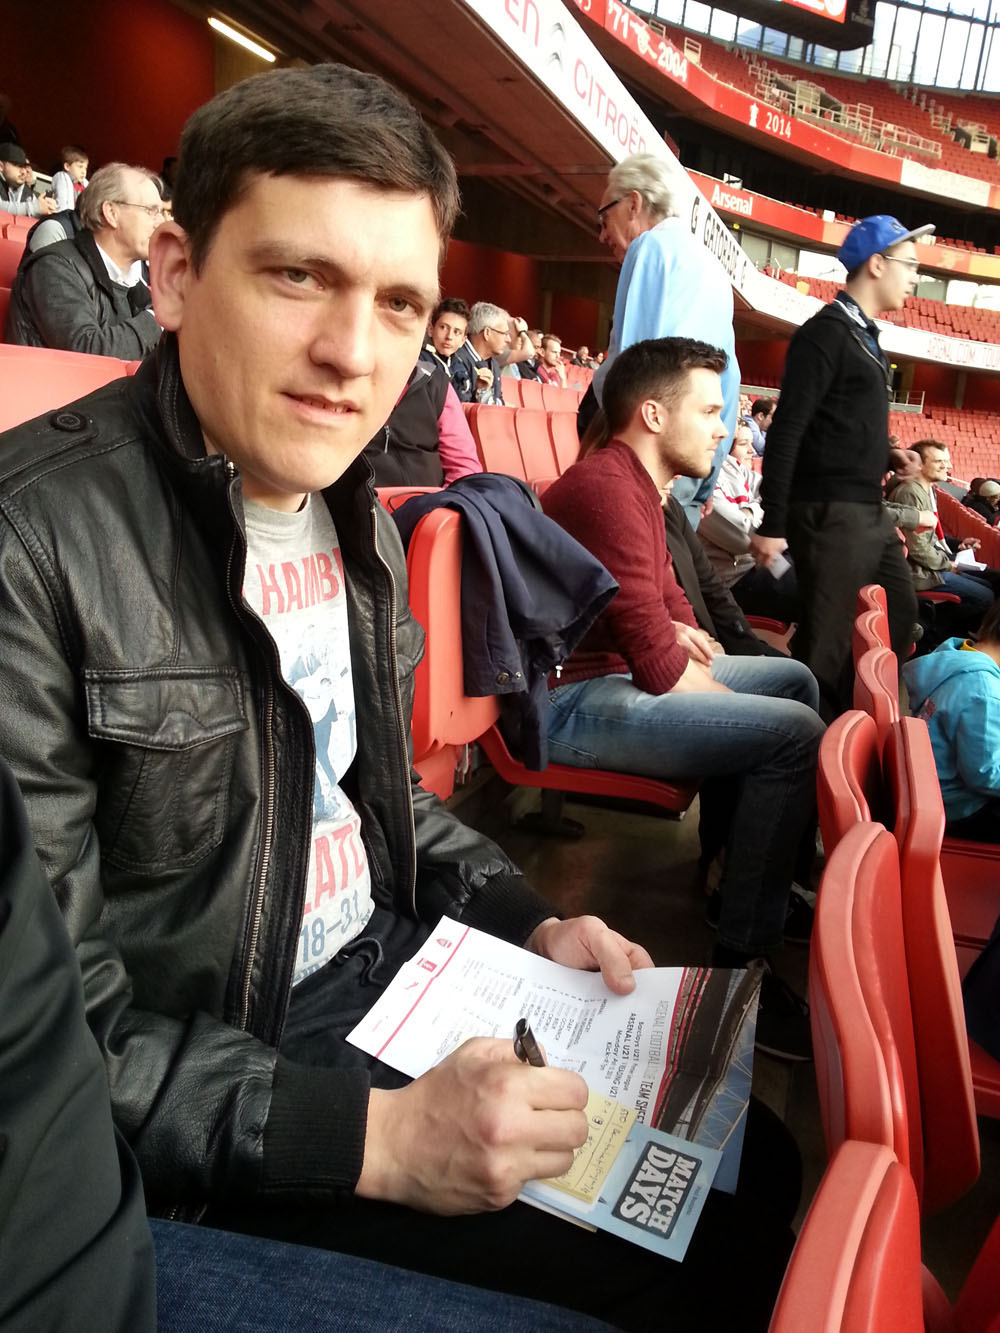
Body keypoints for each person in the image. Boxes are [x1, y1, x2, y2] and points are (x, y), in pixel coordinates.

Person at [0, 65, 799, 1331]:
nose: (350, 354)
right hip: (219, 1093)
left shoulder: (350, 519)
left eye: (400, 302)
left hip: (393, 981)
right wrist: (374, 1140)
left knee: (753, 1173)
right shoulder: (24, 548)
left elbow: (384, 807)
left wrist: (536, 924)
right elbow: (50, 1052)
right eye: (296, 276)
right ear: (171, 273)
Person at [542, 336, 825, 1063]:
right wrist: (693, 664)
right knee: (792, 731)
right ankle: (744, 954)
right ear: (653, 414)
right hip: (570, 702)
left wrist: (692, 654)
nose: (724, 427)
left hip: (617, 678)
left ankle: (741, 875)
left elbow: (684, 623)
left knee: (795, 684)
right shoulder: (609, 487)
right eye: (708, 410)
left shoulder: (644, 488)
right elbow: (662, 663)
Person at [751, 214, 926, 720]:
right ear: (876, 264)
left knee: (900, 613)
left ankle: (854, 727)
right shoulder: (825, 334)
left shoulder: (864, 336)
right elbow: (788, 431)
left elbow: (839, 422)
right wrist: (773, 524)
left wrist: (885, 454)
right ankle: (801, 754)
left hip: (865, 510)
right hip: (830, 515)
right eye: (910, 265)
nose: (915, 276)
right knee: (824, 646)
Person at [590, 153, 740, 524]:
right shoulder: (714, 270)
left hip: (651, 463)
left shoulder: (650, 248)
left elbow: (632, 370)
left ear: (634, 203)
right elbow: (730, 379)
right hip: (692, 460)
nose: (602, 233)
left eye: (604, 216)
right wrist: (710, 474)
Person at [6, 161, 163, 356]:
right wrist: (157, 321)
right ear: (111, 213)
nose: (161, 222)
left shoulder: (130, 281)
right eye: (151, 211)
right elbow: (88, 352)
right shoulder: (53, 267)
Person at [903, 599, 1000, 841]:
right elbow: (985, 775)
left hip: (934, 789)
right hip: (958, 807)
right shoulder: (983, 691)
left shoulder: (954, 655)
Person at [698, 418, 800, 624]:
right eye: (743, 444)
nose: (752, 451)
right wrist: (762, 512)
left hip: (768, 561)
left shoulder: (732, 466)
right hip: (737, 580)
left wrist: (749, 509)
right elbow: (742, 538)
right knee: (818, 590)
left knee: (826, 572)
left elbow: (774, 496)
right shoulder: (700, 476)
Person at [888, 439, 994, 622]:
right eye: (940, 462)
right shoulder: (910, 493)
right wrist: (948, 565)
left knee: (987, 584)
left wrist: (956, 544)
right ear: (919, 465)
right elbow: (918, 549)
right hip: (918, 572)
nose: (948, 466)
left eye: (947, 461)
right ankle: (933, 631)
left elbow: (928, 537)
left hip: (927, 565)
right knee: (986, 596)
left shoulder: (926, 490)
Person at [363, 358, 482, 486]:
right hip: (369, 502)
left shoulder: (435, 384)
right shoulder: (348, 386)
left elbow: (464, 467)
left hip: (434, 501)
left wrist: (444, 503)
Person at [451, 300, 513, 404]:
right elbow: (461, 408)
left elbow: (499, 402)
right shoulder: (457, 359)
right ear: (487, 333)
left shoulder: (494, 364)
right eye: (504, 333)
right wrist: (481, 392)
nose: (508, 340)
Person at [420, 295, 472, 395]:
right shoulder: (419, 361)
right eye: (443, 327)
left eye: (457, 332)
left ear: (463, 340)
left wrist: (481, 390)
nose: (449, 337)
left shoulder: (461, 366)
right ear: (430, 329)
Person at [0, 141, 57, 216]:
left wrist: (47, 210)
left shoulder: (28, 193)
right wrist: (36, 208)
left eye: (24, 167)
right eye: (18, 165)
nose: (24, 172)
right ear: (1, 166)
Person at [50, 143, 89, 212]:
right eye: (80, 167)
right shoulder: (62, 179)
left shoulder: (84, 185)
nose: (83, 171)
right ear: (67, 166)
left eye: (85, 168)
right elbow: (63, 202)